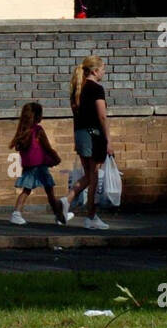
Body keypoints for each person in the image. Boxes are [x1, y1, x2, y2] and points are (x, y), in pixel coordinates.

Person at [64, 56, 113, 230]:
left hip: (80, 134)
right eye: (103, 69)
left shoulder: (77, 89)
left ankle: (66, 201)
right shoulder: (96, 89)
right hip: (94, 135)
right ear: (94, 71)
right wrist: (108, 140)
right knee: (93, 177)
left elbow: (77, 115)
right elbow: (102, 116)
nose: (104, 72)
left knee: (89, 175)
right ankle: (90, 217)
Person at [9, 102, 71, 225]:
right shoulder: (38, 130)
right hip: (39, 166)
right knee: (49, 192)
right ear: (36, 116)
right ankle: (59, 216)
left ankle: (17, 213)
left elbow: (19, 148)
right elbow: (47, 147)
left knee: (28, 190)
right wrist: (56, 158)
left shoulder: (23, 131)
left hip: (29, 166)